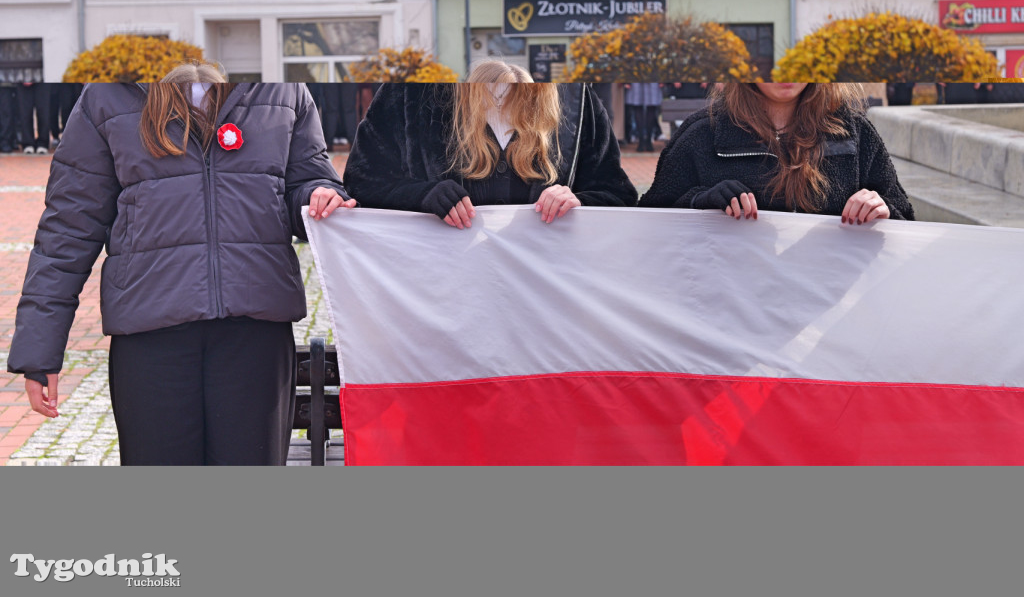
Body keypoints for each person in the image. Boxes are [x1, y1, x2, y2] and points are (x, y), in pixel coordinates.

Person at [7, 62, 355, 465]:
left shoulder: (282, 88)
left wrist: (319, 195)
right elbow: (67, 230)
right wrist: (39, 350)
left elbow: (306, 178)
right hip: (150, 337)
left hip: (255, 332)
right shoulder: (107, 95)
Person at [342, 60, 637, 228]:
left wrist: (578, 200)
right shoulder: (407, 98)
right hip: (443, 290)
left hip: (542, 292)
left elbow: (618, 194)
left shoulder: (578, 105)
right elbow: (362, 183)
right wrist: (422, 195)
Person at [639, 83, 914, 224]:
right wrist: (699, 201)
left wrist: (882, 209)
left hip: (826, 317)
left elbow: (906, 221)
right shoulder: (702, 134)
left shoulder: (855, 132)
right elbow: (649, 221)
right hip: (729, 316)